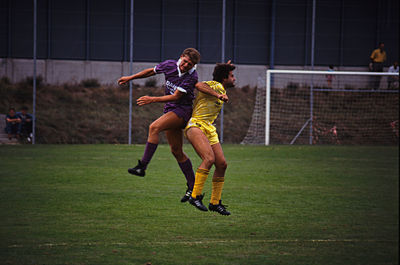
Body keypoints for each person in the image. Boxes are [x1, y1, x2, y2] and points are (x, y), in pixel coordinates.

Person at [117, 48, 225, 202]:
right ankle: (193, 188)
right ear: (181, 57)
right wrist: (131, 77)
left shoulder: (191, 77)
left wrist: (151, 99)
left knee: (154, 127)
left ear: (194, 65)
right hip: (170, 110)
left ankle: (142, 166)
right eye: (185, 61)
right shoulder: (169, 65)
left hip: (182, 111)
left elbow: (176, 97)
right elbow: (151, 71)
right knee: (176, 151)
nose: (186, 65)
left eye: (190, 64)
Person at [185, 61, 236, 216]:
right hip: (196, 125)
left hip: (209, 128)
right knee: (209, 159)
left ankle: (215, 202)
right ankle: (195, 196)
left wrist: (223, 67)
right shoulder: (215, 86)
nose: (234, 79)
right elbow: (199, 85)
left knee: (221, 164)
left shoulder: (221, 87)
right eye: (231, 76)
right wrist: (218, 94)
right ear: (224, 78)